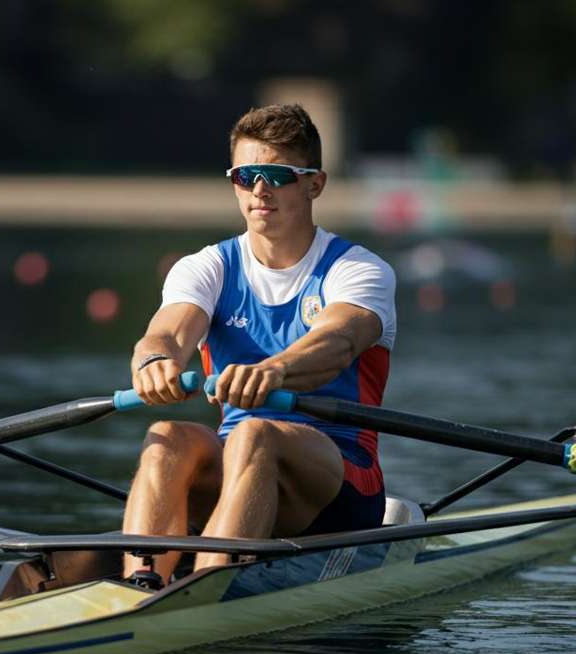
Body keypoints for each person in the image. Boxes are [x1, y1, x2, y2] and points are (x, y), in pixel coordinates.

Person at [123, 103, 397, 588]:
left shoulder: (358, 270)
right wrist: (154, 362)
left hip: (341, 482)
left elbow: (337, 341)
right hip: (238, 465)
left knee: (255, 434)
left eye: (277, 175)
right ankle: (140, 584)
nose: (259, 190)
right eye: (245, 176)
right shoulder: (207, 267)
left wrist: (276, 370)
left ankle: (206, 590)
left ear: (315, 184)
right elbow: (167, 334)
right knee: (167, 436)